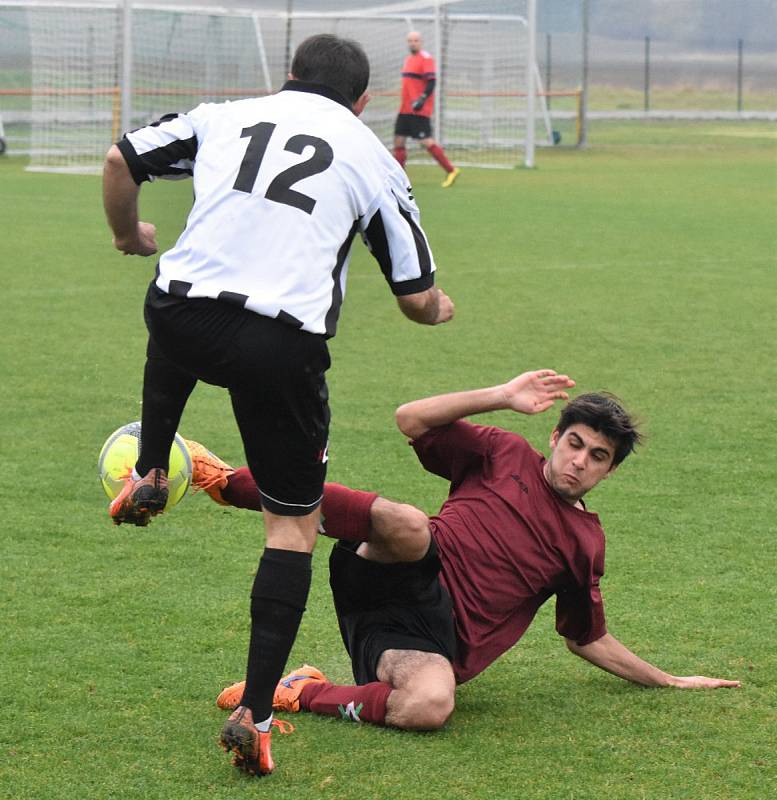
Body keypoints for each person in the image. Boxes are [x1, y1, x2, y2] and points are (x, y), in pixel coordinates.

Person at [101, 34, 454, 776]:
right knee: (291, 526)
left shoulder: (226, 115)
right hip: (278, 346)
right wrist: (439, 309)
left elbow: (120, 159)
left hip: (182, 311)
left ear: (287, 78)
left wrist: (127, 232)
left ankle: (152, 468)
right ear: (363, 102)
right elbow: (416, 297)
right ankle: (256, 713)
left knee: (174, 306)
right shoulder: (371, 158)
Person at [185, 369, 740, 732]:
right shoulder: (504, 452)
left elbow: (584, 637)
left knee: (431, 705)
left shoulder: (585, 543)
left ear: (610, 470)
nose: (579, 461)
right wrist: (501, 396)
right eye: (575, 443)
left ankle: (304, 691)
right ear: (555, 437)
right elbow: (410, 418)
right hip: (395, 570)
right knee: (407, 523)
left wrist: (666, 679)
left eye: (598, 456)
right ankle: (226, 482)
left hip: (421, 640)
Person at [393, 31, 460, 188]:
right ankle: (399, 178)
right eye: (410, 40)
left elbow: (431, 83)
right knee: (398, 141)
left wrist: (421, 99)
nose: (412, 43)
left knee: (425, 141)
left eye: (415, 40)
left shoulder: (426, 59)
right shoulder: (408, 59)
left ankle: (451, 170)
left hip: (418, 110)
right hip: (405, 109)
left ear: (421, 42)